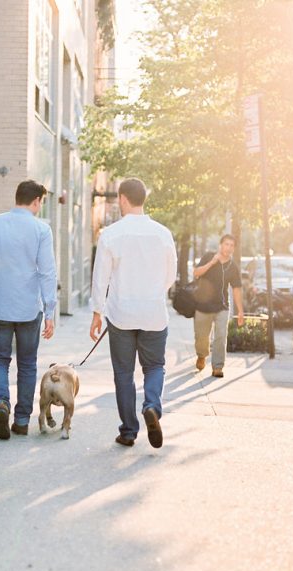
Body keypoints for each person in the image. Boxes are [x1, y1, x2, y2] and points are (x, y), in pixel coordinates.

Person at [89, 178, 177, 449]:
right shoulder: (163, 234)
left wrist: (97, 312)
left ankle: (128, 431)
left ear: (123, 199)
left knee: (124, 373)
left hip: (121, 314)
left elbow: (100, 278)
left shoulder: (111, 234)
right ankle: (151, 405)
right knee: (154, 366)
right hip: (153, 313)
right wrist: (152, 294)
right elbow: (170, 276)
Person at [0, 180, 57, 440]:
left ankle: (0, 403)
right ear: (36, 201)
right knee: (27, 364)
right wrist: (50, 310)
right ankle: (20, 421)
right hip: (29, 309)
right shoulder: (41, 229)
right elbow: (47, 273)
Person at [192, 234, 245, 377]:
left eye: (231, 245)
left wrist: (240, 311)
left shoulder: (233, 267)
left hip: (222, 306)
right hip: (203, 306)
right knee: (201, 337)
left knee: (221, 336)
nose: (228, 247)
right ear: (221, 245)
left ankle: (217, 366)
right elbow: (196, 273)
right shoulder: (209, 256)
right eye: (226, 244)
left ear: (234, 248)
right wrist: (211, 263)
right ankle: (202, 355)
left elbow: (236, 289)